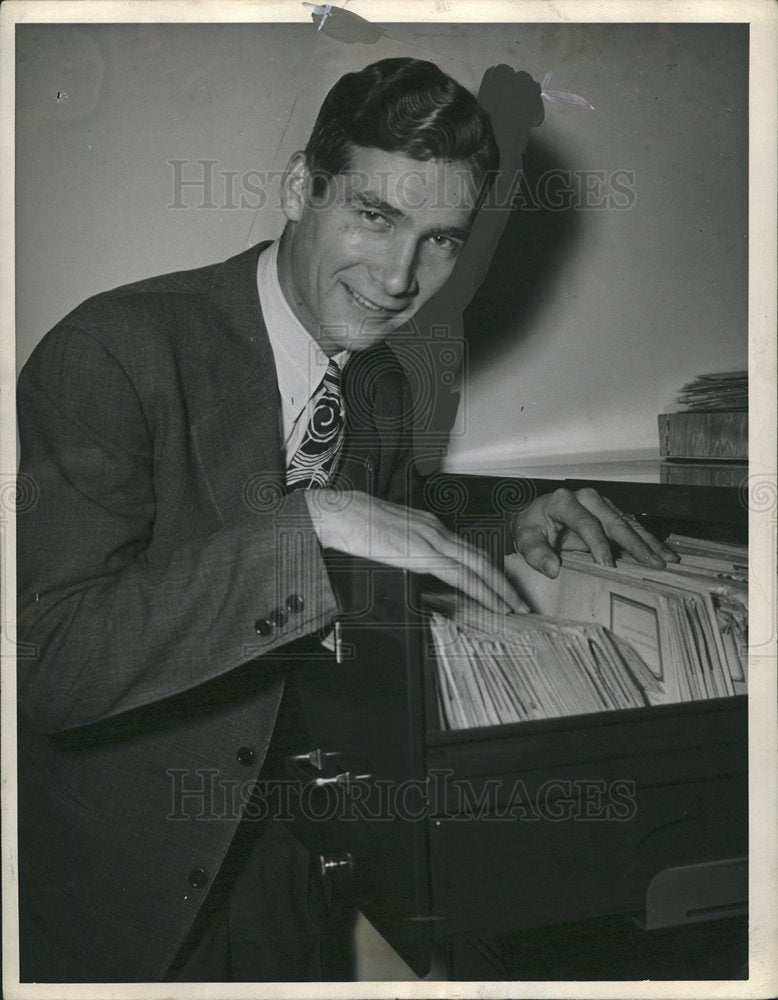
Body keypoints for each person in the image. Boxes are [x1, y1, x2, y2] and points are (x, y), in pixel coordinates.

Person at [16, 57, 677, 984]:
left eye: (442, 240)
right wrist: (307, 520)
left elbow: (381, 546)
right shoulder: (112, 352)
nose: (403, 277)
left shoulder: (378, 384)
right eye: (375, 216)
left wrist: (521, 526)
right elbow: (46, 664)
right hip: (132, 900)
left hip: (302, 874)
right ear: (299, 187)